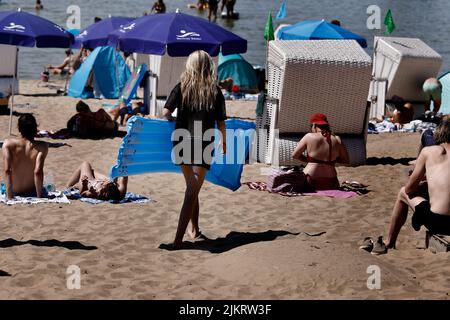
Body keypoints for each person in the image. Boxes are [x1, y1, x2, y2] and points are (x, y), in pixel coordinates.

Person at [162, 50, 227, 248]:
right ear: (209, 67)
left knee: (192, 187)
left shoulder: (181, 87)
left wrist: (175, 121)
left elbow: (165, 112)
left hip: (181, 141)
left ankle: (195, 229)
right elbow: (220, 121)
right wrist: (223, 141)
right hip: (203, 142)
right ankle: (178, 240)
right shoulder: (215, 91)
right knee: (192, 190)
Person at [367, 120, 450, 255]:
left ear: (439, 134)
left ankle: (389, 242)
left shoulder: (428, 151)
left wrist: (422, 183)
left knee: (402, 193)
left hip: (438, 222)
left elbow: (409, 189)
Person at [292, 113, 350, 190]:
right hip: (331, 182)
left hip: (311, 179)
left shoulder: (309, 136)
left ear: (314, 125)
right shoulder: (337, 139)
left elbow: (295, 155)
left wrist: (309, 160)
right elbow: (346, 160)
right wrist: (331, 160)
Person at [2, 114, 48, 199]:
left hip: (14, 191)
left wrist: (10, 196)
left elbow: (7, 170)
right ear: (35, 128)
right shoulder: (42, 146)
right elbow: (38, 172)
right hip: (32, 191)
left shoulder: (8, 144)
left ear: (19, 129)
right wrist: (39, 196)